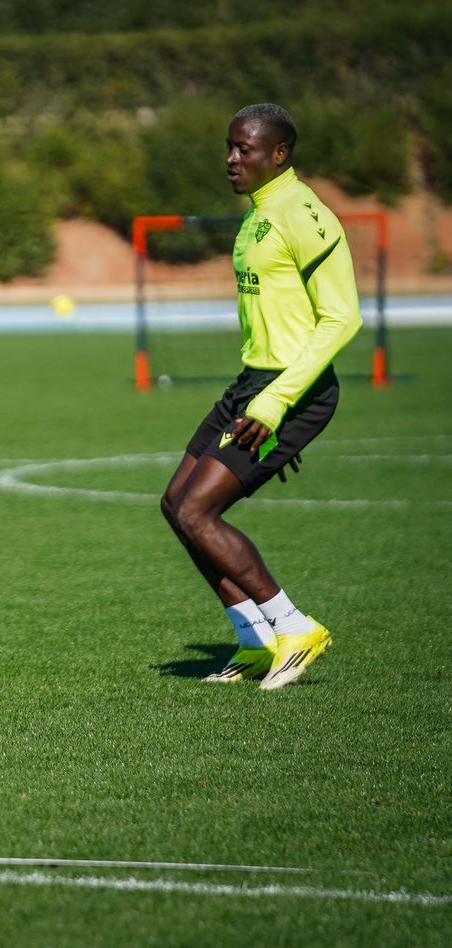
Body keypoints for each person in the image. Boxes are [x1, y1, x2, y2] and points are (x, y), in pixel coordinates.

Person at [160, 103, 360, 690]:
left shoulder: (304, 212)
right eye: (229, 146)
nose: (231, 158)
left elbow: (342, 317)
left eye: (245, 149)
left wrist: (278, 406)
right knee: (176, 505)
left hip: (287, 391)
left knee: (199, 512)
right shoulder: (256, 214)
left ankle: (295, 627)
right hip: (252, 384)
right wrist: (261, 396)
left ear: (280, 155)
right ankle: (253, 639)